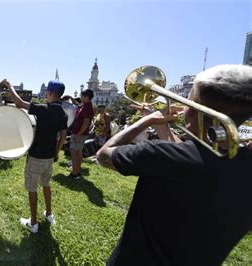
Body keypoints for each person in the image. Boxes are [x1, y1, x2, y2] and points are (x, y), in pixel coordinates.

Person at [96, 64, 252, 265]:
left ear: (192, 111)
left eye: (189, 100)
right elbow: (190, 161)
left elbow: (104, 155)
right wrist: (161, 124)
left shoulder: (164, 155)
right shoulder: (245, 166)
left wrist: (146, 122)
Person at [0, 79, 68, 234]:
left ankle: (33, 223)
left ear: (50, 93)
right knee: (46, 184)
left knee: (32, 188)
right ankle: (49, 214)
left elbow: (18, 103)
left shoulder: (43, 108)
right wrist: (56, 152)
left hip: (36, 156)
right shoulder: (63, 113)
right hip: (49, 157)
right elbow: (63, 137)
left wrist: (10, 86)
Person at [68, 89, 94, 180]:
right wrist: (71, 98)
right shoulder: (85, 105)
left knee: (74, 152)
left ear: (86, 97)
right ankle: (77, 171)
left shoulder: (87, 108)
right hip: (80, 134)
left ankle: (75, 173)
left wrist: (78, 135)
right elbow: (78, 105)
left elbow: (86, 123)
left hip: (79, 134)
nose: (81, 97)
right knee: (78, 152)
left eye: (82, 96)